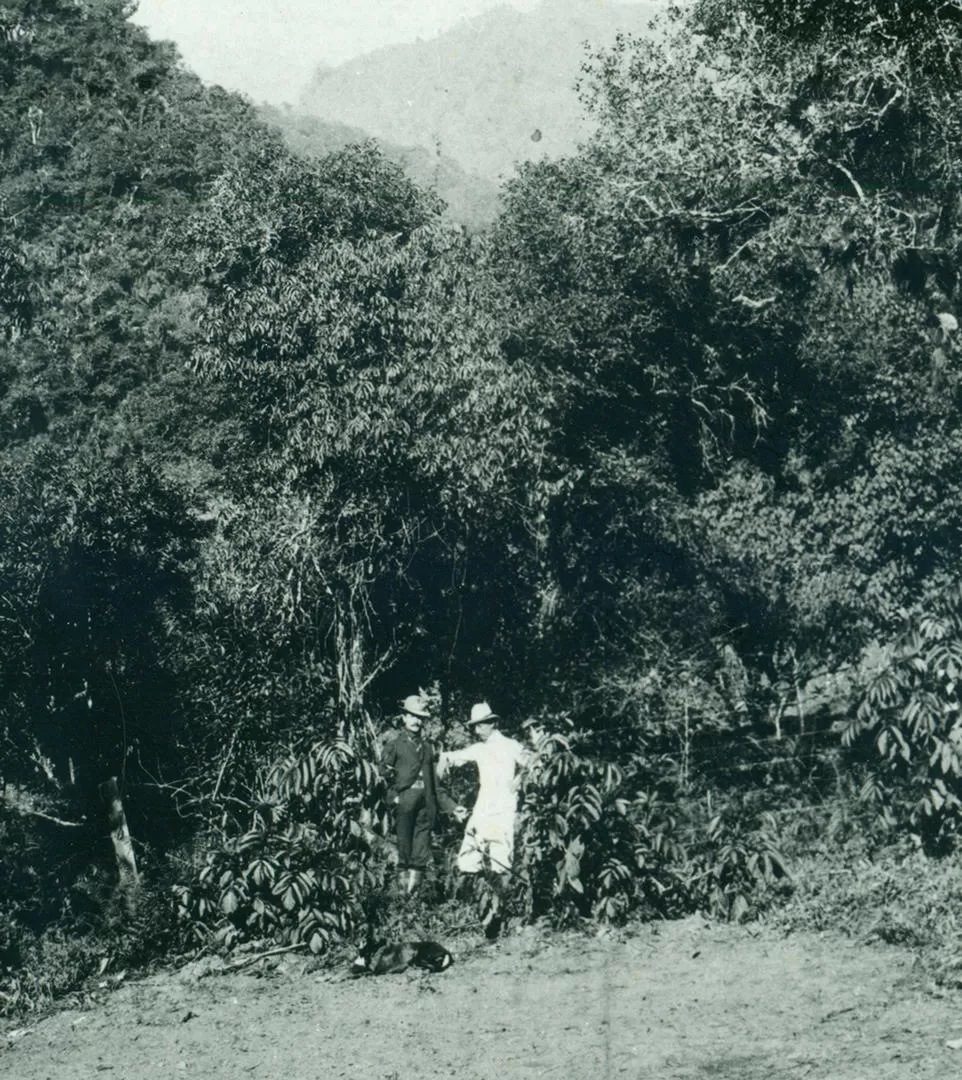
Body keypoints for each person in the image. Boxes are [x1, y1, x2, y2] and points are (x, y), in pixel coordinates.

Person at [380, 694, 465, 894]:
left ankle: (413, 898)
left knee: (421, 851)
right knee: (404, 849)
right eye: (412, 716)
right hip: (405, 801)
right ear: (404, 718)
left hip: (426, 805)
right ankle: (400, 898)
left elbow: (435, 784)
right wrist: (394, 798)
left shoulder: (427, 747)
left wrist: (452, 807)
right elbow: (383, 775)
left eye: (420, 717)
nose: (416, 721)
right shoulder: (394, 745)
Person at [439, 702, 529, 876]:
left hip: (504, 807)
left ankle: (501, 898)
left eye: (481, 725)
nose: (477, 730)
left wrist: (520, 778)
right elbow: (454, 757)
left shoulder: (510, 745)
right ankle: (471, 896)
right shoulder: (480, 749)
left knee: (501, 855)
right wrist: (440, 760)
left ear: (492, 723)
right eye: (475, 726)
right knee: (469, 854)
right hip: (484, 806)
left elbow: (534, 763)